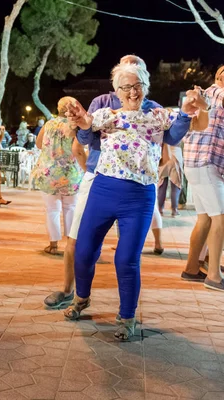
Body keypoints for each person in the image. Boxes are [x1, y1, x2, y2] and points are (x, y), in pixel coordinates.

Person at [64, 63, 197, 341]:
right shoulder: (105, 114)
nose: (132, 92)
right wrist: (81, 120)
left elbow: (174, 135)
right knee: (85, 251)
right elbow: (87, 131)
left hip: (138, 196)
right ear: (117, 91)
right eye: (126, 87)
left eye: (137, 86)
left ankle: (127, 316)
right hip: (103, 189)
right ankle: (82, 298)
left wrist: (186, 112)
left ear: (145, 88)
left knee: (126, 259)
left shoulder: (158, 115)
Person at [181, 66, 224, 291]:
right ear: (218, 76)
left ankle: (192, 268)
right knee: (220, 218)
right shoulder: (217, 92)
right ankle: (214, 276)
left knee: (205, 218)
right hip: (207, 163)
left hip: (196, 164)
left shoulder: (207, 94)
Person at [32, 97, 85, 255]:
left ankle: (53, 245)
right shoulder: (76, 126)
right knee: (71, 208)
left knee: (52, 210)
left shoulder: (49, 124)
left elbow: (39, 144)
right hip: (71, 174)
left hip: (49, 174)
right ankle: (71, 245)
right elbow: (81, 149)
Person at [158, 144, 184, 217]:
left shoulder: (162, 132)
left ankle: (160, 209)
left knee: (162, 184)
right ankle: (174, 210)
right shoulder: (178, 131)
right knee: (176, 185)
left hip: (163, 154)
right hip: (176, 154)